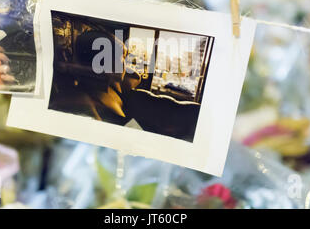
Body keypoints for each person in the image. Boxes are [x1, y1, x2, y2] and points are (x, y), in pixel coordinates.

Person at [49, 17, 200, 142]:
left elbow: (135, 77)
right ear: (105, 64)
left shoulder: (114, 88)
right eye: (122, 57)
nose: (126, 64)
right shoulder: (88, 101)